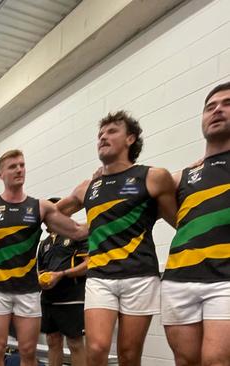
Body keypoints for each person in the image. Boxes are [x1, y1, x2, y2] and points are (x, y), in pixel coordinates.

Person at [57, 111, 177, 366]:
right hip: (100, 276)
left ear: (130, 139)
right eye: (100, 134)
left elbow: (179, 221)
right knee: (97, 349)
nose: (103, 137)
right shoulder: (89, 186)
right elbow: (54, 212)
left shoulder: (151, 176)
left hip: (140, 275)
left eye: (112, 131)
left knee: (129, 354)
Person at [0, 149, 88, 366]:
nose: (19, 169)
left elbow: (76, 231)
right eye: (12, 166)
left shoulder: (40, 206)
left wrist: (108, 212)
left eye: (22, 165)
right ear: (0, 175)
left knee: (28, 351)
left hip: (27, 290)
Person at [161, 82, 230, 365]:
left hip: (225, 280)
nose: (217, 110)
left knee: (215, 360)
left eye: (227, 104)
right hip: (179, 279)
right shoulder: (184, 176)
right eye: (210, 107)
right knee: (186, 360)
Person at [36, 198, 88, 366]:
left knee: (74, 343)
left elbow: (89, 264)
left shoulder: (78, 234)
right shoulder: (44, 243)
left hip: (72, 297)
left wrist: (62, 274)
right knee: (52, 340)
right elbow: (41, 271)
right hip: (49, 298)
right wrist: (41, 281)